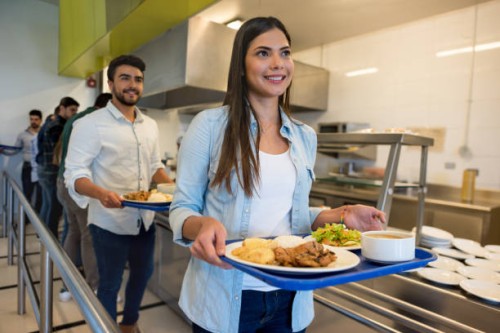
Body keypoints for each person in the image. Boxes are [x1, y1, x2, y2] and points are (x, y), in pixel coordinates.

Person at [169, 17, 386, 333]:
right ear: (241, 66)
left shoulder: (304, 136)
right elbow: (182, 208)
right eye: (262, 53)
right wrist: (203, 224)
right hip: (226, 296)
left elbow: (291, 216)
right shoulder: (210, 126)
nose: (277, 64)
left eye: (284, 53)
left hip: (291, 296)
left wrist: (342, 215)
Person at [64, 54, 174, 333]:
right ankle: (107, 327)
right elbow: (74, 174)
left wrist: (176, 188)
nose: (132, 84)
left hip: (144, 220)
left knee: (142, 275)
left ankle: (130, 324)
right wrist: (100, 193)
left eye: (138, 79)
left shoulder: (149, 125)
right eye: (125, 78)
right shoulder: (90, 124)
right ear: (111, 83)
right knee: (109, 283)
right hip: (108, 223)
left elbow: (154, 167)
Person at [56, 92, 112, 302]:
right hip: (76, 186)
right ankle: (95, 286)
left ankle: (67, 286)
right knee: (89, 235)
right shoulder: (91, 121)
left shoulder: (75, 119)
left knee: (73, 232)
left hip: (63, 182)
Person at [36, 97, 79, 237]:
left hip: (43, 168)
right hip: (51, 170)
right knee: (54, 207)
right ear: (62, 108)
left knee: (47, 204)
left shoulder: (50, 122)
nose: (74, 113)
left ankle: (42, 233)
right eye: (72, 110)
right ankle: (51, 238)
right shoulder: (58, 126)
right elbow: (59, 152)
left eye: (76, 110)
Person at [14, 109, 43, 214]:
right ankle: (25, 218)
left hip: (40, 167)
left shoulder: (44, 133)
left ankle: (39, 218)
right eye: (31, 119)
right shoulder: (22, 134)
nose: (33, 121)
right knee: (27, 194)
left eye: (36, 119)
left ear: (40, 120)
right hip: (27, 167)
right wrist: (4, 150)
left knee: (41, 195)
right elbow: (15, 150)